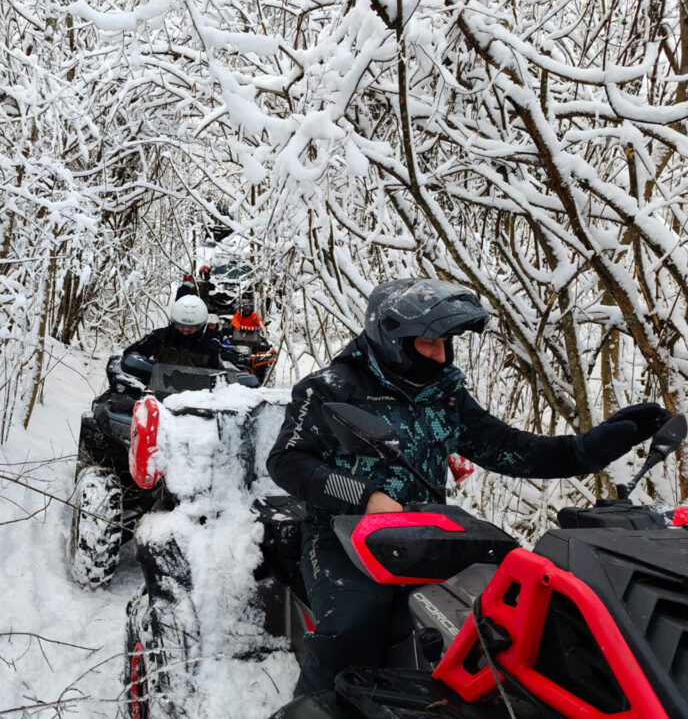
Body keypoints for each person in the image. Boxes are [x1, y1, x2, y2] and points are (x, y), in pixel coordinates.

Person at [266, 277, 670, 697]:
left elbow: (510, 448)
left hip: (425, 533)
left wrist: (586, 449)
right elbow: (286, 461)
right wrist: (364, 496)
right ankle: (314, 704)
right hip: (341, 534)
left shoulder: (446, 393)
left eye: (445, 342)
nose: (440, 354)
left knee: (504, 619)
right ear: (393, 340)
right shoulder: (333, 388)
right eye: (428, 343)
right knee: (353, 621)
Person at [123, 295, 222, 369]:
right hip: (157, 389)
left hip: (195, 395)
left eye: (191, 328)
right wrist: (145, 367)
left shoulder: (209, 347)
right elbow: (131, 353)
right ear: (174, 322)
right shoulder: (160, 337)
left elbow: (218, 377)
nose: (185, 331)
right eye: (181, 326)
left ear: (201, 326)